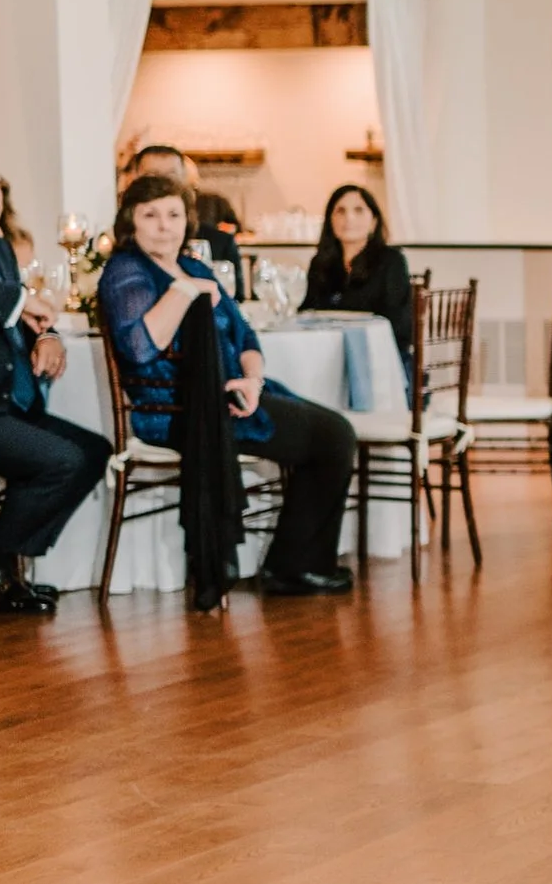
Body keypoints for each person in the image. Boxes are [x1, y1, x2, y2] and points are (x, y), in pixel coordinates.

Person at [98, 174, 358, 601]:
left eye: (174, 214)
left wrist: (252, 381)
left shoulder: (196, 266)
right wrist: (183, 292)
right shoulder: (127, 271)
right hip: (174, 411)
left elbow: (246, 338)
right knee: (332, 437)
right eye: (151, 215)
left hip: (230, 395)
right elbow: (142, 347)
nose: (164, 225)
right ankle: (295, 567)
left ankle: (295, 562)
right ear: (131, 222)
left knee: (332, 430)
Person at [0, 147, 109, 616]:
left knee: (93, 452)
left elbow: (27, 310)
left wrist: (48, 334)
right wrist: (23, 303)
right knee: (61, 461)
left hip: (7, 403)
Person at [304, 184, 415, 358]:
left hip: (382, 357)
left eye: (358, 210)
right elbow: (308, 314)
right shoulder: (320, 263)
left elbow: (400, 326)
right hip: (328, 355)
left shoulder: (391, 261)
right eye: (340, 211)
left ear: (374, 222)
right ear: (330, 220)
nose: (349, 218)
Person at [124, 145, 242, 272]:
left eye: (171, 176)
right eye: (153, 177)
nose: (163, 186)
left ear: (185, 181)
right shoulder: (125, 247)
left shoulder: (220, 244)